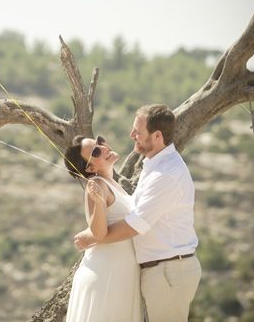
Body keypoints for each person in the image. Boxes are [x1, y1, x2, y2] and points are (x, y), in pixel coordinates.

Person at [74, 104, 202, 322]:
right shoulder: (154, 165)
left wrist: (95, 236)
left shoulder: (165, 173)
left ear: (158, 135)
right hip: (157, 270)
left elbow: (135, 224)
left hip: (168, 270)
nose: (131, 134)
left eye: (138, 132)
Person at [63, 135, 142, 322]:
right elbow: (99, 234)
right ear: (90, 168)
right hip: (107, 276)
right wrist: (98, 202)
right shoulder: (97, 184)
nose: (104, 147)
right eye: (96, 151)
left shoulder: (112, 183)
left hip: (122, 275)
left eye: (100, 141)